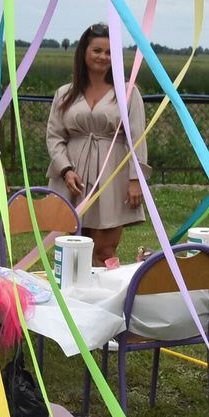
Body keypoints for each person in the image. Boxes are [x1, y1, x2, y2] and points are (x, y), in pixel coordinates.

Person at [46, 23, 148, 265]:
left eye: (109, 52)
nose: (103, 57)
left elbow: (137, 137)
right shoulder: (65, 94)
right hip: (73, 178)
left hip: (112, 176)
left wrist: (136, 179)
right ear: (84, 52)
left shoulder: (127, 92)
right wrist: (65, 169)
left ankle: (105, 290)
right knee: (71, 251)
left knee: (104, 251)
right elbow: (55, 136)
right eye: (97, 50)